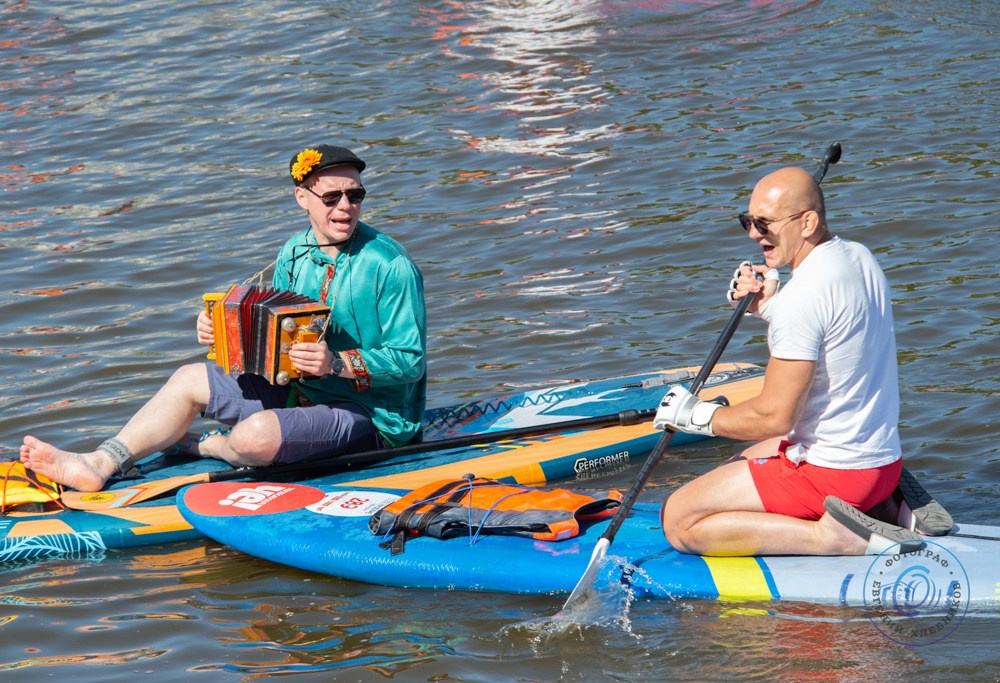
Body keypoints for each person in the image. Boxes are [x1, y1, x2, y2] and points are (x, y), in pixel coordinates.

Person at [20, 144, 427, 492]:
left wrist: (337, 363)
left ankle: (207, 446)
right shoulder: (294, 251)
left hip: (373, 419)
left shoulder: (391, 266)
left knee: (255, 437)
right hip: (299, 393)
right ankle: (98, 463)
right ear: (302, 198)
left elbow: (411, 361)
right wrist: (223, 333)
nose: (345, 207)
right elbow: (279, 335)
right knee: (188, 379)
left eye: (355, 196)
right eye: (331, 197)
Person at [653, 165, 949, 558]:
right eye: (748, 221)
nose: (754, 234)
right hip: (883, 465)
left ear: (807, 221)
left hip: (835, 477)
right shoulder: (858, 256)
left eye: (764, 223)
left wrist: (696, 417)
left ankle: (830, 537)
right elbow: (835, 332)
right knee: (741, 459)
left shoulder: (802, 298)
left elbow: (774, 418)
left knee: (678, 518)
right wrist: (769, 306)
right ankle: (890, 506)